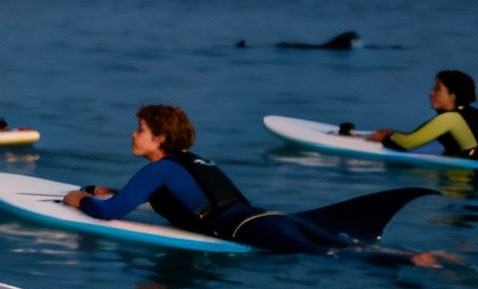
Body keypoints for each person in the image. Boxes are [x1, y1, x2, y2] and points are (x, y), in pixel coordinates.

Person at [65, 105, 431, 252]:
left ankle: (416, 260)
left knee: (336, 258)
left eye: (140, 129)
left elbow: (107, 213)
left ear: (159, 139)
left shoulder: (158, 169)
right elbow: (191, 197)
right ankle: (414, 257)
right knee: (350, 250)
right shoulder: (194, 161)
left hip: (248, 230)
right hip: (270, 218)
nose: (133, 135)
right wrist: (125, 191)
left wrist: (78, 199)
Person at [366, 70, 478, 161]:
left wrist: (385, 137)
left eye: (437, 89)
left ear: (452, 96)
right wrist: (394, 133)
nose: (431, 93)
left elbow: (407, 143)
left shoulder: (450, 119)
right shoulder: (475, 114)